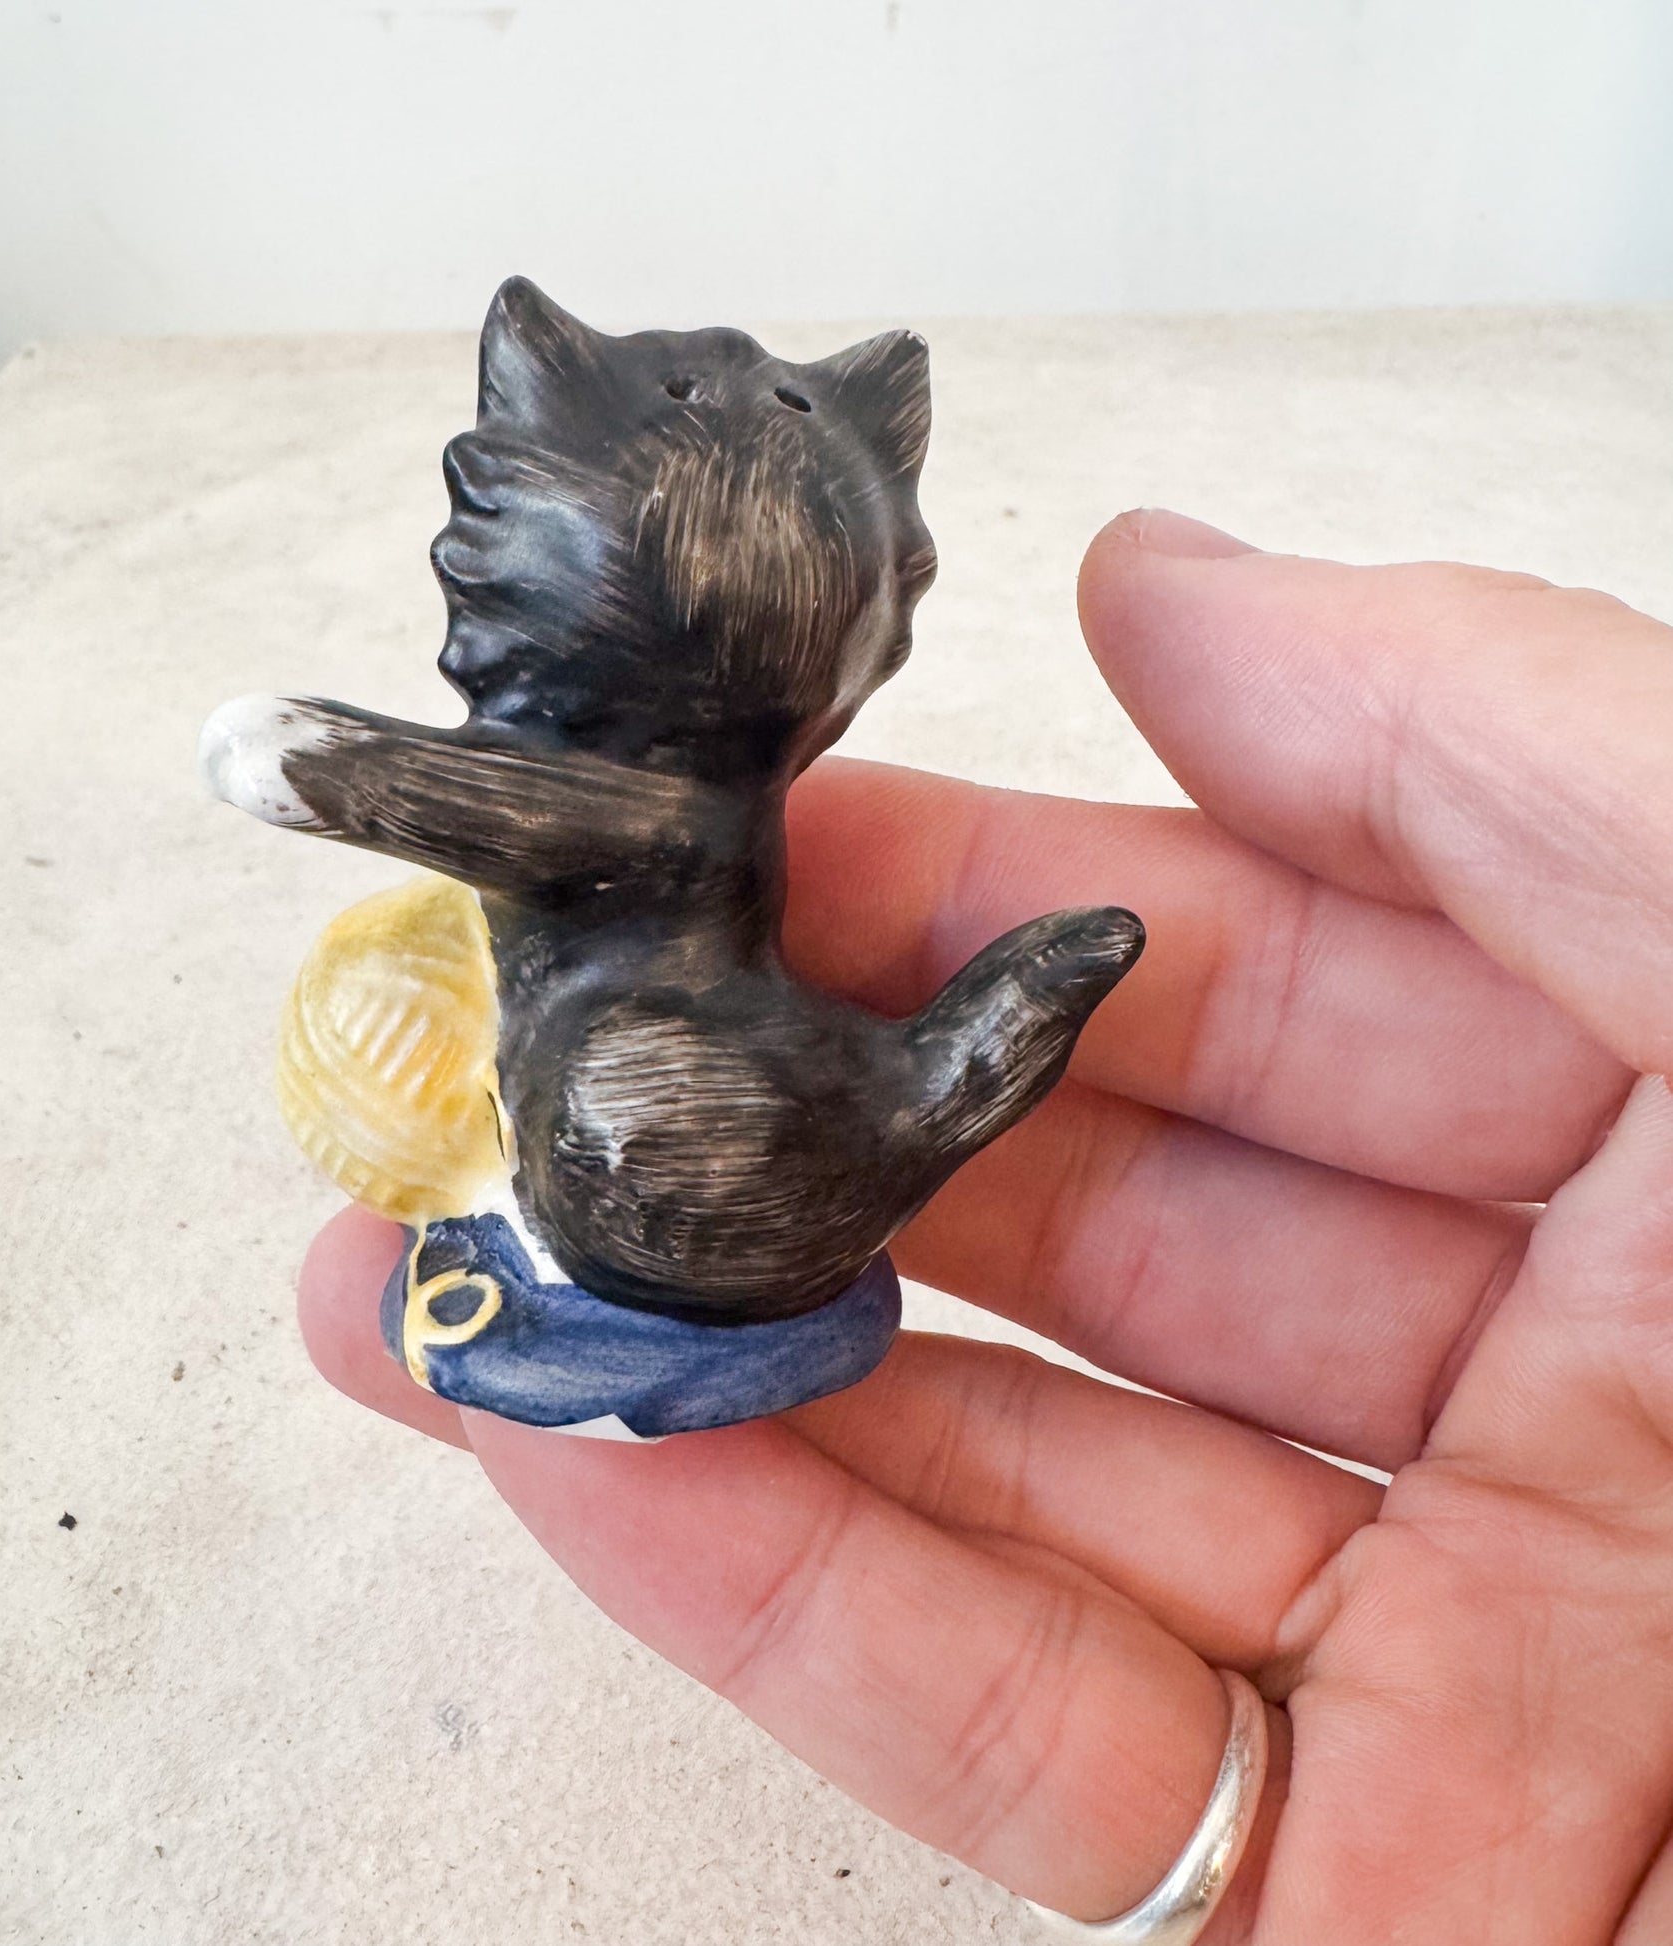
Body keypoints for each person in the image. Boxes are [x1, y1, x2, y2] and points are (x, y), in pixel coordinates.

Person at [296, 508, 1673, 1943]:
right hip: (629, 1170)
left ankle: (885, 1114)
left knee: (660, 1109)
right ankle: (885, 1111)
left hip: (686, 1153)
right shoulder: (626, 821)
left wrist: (334, 767)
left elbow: (553, 824)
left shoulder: (659, 810)